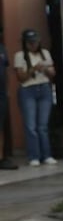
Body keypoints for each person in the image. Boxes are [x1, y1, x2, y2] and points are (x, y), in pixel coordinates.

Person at [14, 29, 57, 167]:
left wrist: (45, 69)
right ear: (25, 43)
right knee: (30, 126)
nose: (33, 45)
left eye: (35, 42)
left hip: (44, 88)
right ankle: (34, 156)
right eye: (30, 43)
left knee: (42, 126)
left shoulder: (45, 54)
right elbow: (21, 78)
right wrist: (33, 69)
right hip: (28, 90)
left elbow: (52, 73)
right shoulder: (20, 56)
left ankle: (47, 155)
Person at [0, 25, 17, 169]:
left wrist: (7, 89)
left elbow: (6, 70)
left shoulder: (2, 49)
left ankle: (2, 157)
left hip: (1, 94)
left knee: (2, 126)